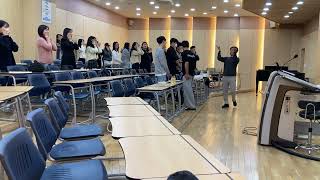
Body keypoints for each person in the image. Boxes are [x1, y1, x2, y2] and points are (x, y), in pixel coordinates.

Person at [181, 40, 196, 110]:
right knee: (189, 90)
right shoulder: (192, 53)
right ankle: (188, 105)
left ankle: (191, 106)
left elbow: (186, 63)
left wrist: (186, 73)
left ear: (182, 46)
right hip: (192, 73)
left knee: (187, 91)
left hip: (187, 74)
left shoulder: (184, 53)